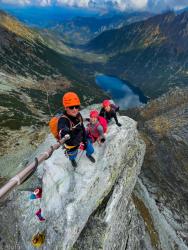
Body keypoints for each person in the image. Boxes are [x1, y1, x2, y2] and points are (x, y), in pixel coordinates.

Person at [58, 92, 95, 168]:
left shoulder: (78, 115)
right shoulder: (63, 120)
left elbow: (82, 127)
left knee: (91, 149)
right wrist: (67, 130)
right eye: (71, 107)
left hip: (81, 139)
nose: (75, 109)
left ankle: (88, 154)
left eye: (76, 106)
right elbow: (62, 130)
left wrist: (84, 140)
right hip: (71, 144)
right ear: (66, 107)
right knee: (73, 155)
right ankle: (72, 160)